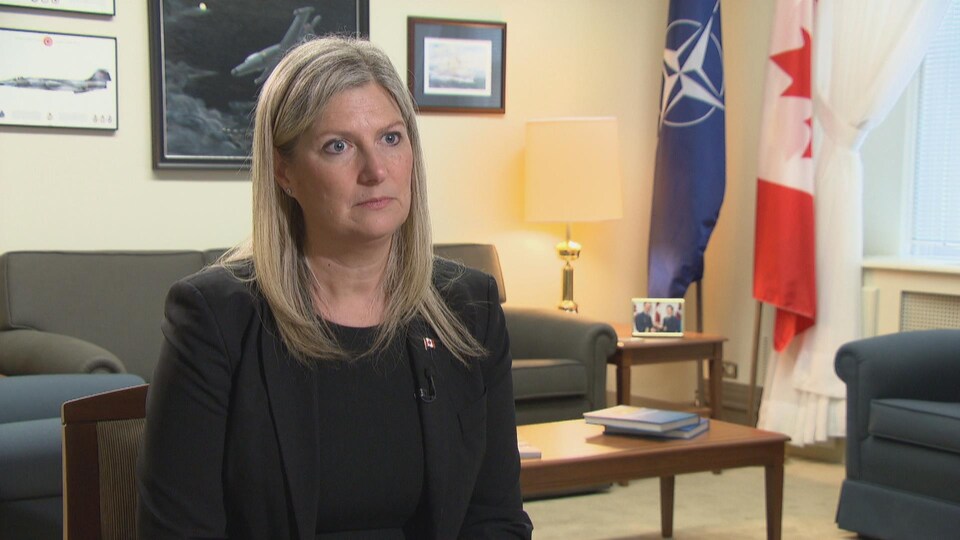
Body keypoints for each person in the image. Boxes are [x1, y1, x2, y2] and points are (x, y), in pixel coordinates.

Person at [136, 37, 533, 539]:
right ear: (285, 172)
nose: (376, 171)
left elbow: (495, 517)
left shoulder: (468, 306)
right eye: (338, 146)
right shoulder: (214, 318)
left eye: (391, 138)